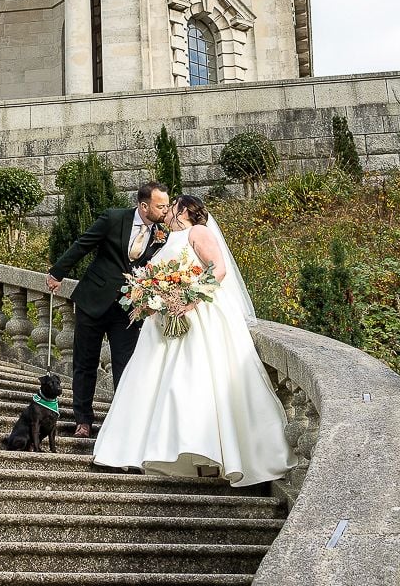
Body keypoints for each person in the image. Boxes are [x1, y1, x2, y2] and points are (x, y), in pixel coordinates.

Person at [91, 193, 291, 487]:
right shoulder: (167, 239)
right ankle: (143, 450)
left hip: (197, 318)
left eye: (172, 206)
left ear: (183, 209)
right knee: (151, 384)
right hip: (163, 322)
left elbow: (218, 269)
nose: (168, 211)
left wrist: (189, 299)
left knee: (189, 384)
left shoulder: (198, 232)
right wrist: (150, 298)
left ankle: (204, 452)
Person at [46, 181, 171, 436]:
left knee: (125, 366)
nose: (166, 210)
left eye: (167, 206)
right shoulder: (114, 218)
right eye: (161, 206)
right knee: (85, 363)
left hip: (128, 309)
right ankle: (83, 421)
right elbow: (83, 244)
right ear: (144, 206)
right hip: (93, 300)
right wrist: (57, 273)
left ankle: (122, 423)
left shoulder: (163, 235)